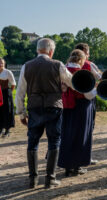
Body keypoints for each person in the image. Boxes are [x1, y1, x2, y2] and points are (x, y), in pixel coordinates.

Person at [15, 38, 73, 188]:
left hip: (34, 108)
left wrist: (21, 113)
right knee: (54, 141)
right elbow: (72, 81)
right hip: (54, 107)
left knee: (32, 142)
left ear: (37, 50)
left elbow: (20, 92)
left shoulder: (26, 66)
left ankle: (33, 179)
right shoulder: (57, 65)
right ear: (51, 51)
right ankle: (50, 179)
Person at [57, 49, 97, 176]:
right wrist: (97, 89)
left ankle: (67, 167)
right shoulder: (81, 73)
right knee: (81, 136)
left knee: (67, 135)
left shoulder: (62, 71)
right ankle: (77, 167)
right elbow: (88, 95)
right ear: (81, 60)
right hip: (81, 107)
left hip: (66, 107)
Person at [74, 43, 102, 165]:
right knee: (88, 129)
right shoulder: (89, 64)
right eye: (88, 52)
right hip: (87, 100)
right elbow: (101, 77)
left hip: (71, 102)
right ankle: (86, 157)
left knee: (73, 129)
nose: (89, 55)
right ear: (85, 52)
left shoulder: (68, 64)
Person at [0, 58, 16, 137]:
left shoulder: (7, 72)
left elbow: (13, 84)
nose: (0, 64)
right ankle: (0, 128)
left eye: (2, 63)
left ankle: (7, 130)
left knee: (7, 111)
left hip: (6, 93)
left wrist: (9, 93)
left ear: (4, 64)